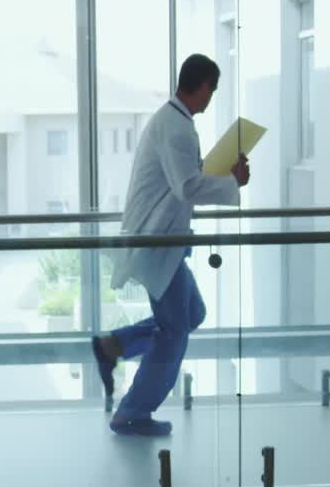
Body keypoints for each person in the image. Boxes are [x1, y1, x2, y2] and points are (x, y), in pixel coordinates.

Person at [94, 54, 250, 437]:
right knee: (175, 330)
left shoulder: (172, 121)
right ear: (200, 86)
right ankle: (130, 412)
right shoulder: (177, 128)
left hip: (162, 239)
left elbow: (181, 182)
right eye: (212, 89)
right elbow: (187, 186)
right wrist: (233, 182)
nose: (211, 97)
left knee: (191, 313)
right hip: (157, 241)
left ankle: (113, 345)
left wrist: (220, 173)